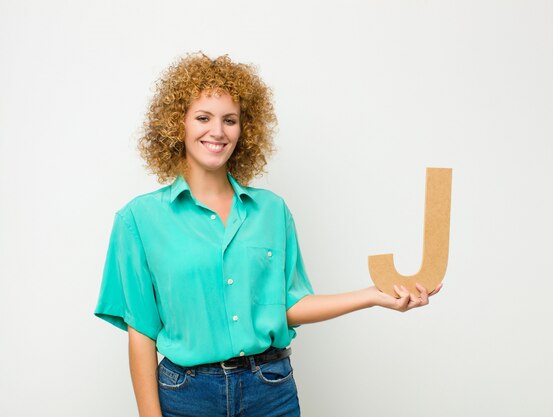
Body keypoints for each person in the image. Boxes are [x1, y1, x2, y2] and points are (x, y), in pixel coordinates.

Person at [94, 52, 442, 417]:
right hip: (187, 396)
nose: (217, 131)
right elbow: (141, 333)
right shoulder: (139, 219)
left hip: (270, 390)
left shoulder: (272, 211)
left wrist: (373, 296)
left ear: (245, 129)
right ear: (176, 125)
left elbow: (289, 306)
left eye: (230, 120)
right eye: (203, 118)